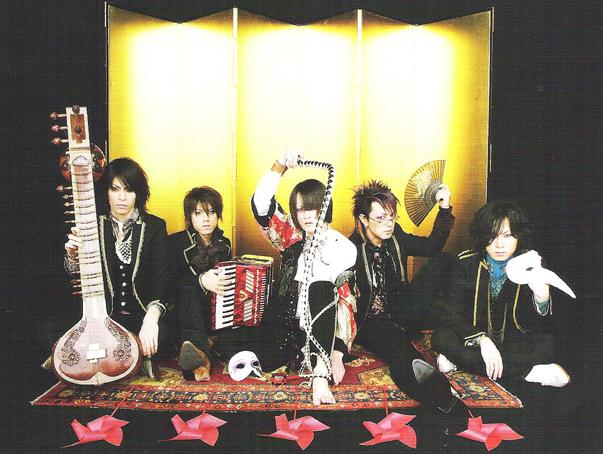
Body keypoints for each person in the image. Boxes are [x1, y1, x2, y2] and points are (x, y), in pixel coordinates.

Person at [233, 149, 357, 406]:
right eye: (300, 209)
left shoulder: (343, 247)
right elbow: (262, 206)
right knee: (230, 342)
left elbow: (346, 305)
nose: (307, 215)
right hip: (285, 325)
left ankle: (319, 373)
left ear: (325, 206)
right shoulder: (292, 237)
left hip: (321, 331)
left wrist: (337, 353)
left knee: (320, 287)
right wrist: (279, 166)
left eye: (312, 208)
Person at [431, 201, 570, 387]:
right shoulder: (466, 263)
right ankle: (530, 373)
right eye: (492, 236)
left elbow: (536, 324)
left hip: (512, 341)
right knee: (441, 338)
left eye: (507, 236)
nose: (499, 245)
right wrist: (482, 341)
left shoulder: (530, 263)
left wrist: (541, 297)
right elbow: (451, 313)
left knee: (546, 346)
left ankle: (460, 361)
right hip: (474, 336)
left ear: (519, 236)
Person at [349, 179, 458, 409]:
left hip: (402, 311)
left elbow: (431, 247)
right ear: (364, 219)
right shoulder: (351, 249)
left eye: (392, 217)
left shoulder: (395, 236)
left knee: (443, 260)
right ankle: (439, 397)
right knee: (402, 350)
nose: (388, 224)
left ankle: (450, 326)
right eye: (380, 218)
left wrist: (444, 207)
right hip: (372, 323)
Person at [60, 157, 172, 378]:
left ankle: (115, 357)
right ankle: (137, 359)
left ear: (138, 194)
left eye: (129, 190)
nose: (122, 197)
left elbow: (163, 280)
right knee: (51, 326)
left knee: (166, 334)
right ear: (106, 191)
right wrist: (72, 255)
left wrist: (151, 319)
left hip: (140, 316)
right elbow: (77, 276)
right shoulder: (92, 225)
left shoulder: (154, 226)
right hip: (104, 317)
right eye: (115, 189)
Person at [168, 186, 233, 381]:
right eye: (198, 213)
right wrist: (201, 281)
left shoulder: (224, 244)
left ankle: (203, 350)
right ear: (190, 216)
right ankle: (202, 360)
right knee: (189, 291)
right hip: (185, 312)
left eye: (211, 212)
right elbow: (169, 283)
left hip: (214, 313)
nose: (206, 219)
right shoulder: (175, 243)